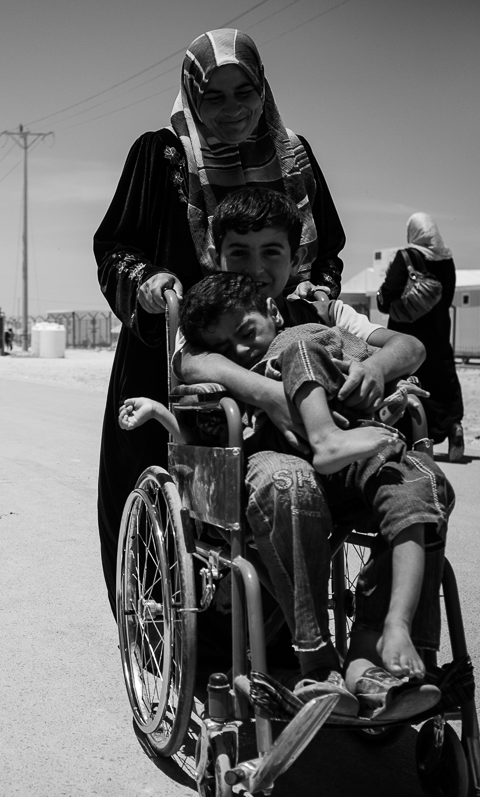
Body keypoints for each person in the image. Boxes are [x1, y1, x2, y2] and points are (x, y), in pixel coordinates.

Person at [94, 28, 346, 622]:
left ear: (263, 91)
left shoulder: (294, 156)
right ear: (192, 97)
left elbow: (326, 248)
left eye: (245, 92)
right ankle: (167, 627)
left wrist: (318, 289)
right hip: (179, 357)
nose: (232, 110)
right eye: (215, 96)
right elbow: (114, 247)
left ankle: (292, 642)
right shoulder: (162, 155)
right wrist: (148, 281)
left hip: (280, 343)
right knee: (179, 513)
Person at [177, 191, 447, 717]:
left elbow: (410, 347)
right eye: (240, 254)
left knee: (423, 480)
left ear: (295, 254)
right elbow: (190, 363)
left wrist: (375, 368)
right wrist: (269, 394)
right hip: (271, 459)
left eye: (271, 252)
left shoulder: (322, 308)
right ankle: (316, 664)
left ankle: (373, 653)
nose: (256, 268)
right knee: (289, 483)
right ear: (217, 253)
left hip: (352, 455)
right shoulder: (211, 304)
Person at [378, 213, 466, 461]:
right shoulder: (447, 261)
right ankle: (453, 426)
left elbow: (386, 298)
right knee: (442, 380)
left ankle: (414, 438)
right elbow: (446, 298)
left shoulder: (406, 256)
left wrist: (383, 298)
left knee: (411, 383)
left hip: (408, 336)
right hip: (438, 333)